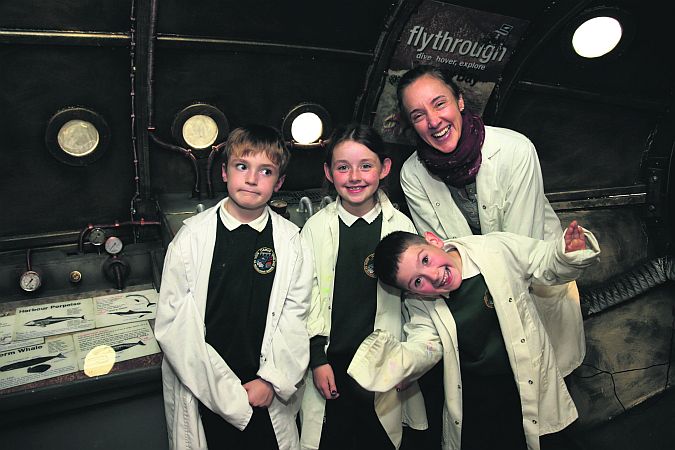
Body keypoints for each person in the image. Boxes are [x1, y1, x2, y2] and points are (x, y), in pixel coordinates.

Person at [396, 64, 585, 446]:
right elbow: (446, 255)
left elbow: (519, 250)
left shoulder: (514, 150)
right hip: (481, 314)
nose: (434, 121)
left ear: (460, 101)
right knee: (502, 422)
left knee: (550, 416)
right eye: (419, 115)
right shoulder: (412, 174)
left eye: (440, 104)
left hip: (536, 290)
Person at [347, 221, 600, 450]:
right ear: (411, 292)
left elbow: (544, 260)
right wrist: (396, 363)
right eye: (417, 282)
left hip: (525, 383)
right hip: (478, 401)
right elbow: (425, 345)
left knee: (548, 441)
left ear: (433, 240)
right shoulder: (420, 303)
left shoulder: (493, 249)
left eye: (425, 260)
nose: (433, 276)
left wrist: (566, 253)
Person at [155, 125, 313, 450]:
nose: (252, 179)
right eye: (242, 167)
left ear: (279, 182)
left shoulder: (291, 241)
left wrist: (271, 380)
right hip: (206, 390)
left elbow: (295, 317)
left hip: (263, 392)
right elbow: (174, 327)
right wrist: (226, 394)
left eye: (265, 171)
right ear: (225, 172)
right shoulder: (191, 239)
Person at [299, 124, 427, 450]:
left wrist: (409, 362)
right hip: (332, 369)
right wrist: (317, 359)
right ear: (329, 172)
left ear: (384, 168)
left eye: (365, 166)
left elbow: (417, 306)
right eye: (343, 167)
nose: (354, 176)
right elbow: (304, 299)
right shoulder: (315, 229)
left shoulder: (402, 228)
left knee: (380, 439)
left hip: (384, 369)